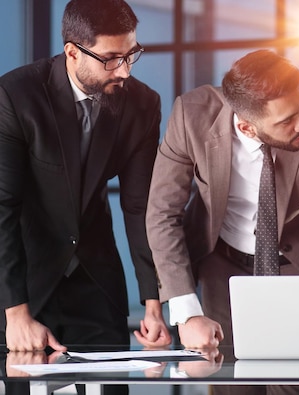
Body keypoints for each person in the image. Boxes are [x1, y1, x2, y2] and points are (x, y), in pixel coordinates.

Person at [146, 49, 299, 394]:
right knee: (232, 386)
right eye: (286, 121)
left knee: (295, 388)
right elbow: (162, 214)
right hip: (224, 268)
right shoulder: (191, 116)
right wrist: (187, 311)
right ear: (246, 126)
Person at [0, 0, 171, 391]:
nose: (125, 70)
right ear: (72, 52)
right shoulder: (15, 95)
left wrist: (153, 302)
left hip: (95, 276)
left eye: (131, 55)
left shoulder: (143, 105)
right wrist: (15, 313)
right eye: (111, 59)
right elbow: (2, 208)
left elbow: (139, 206)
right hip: (24, 278)